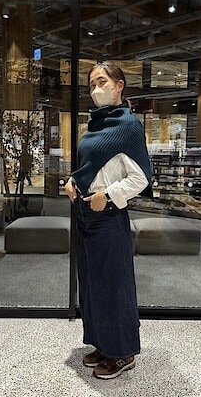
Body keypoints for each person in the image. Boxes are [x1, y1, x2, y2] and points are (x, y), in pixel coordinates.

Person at [65, 61, 152, 380]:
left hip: (109, 214)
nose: (96, 89)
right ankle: (104, 345)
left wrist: (109, 195)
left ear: (119, 86)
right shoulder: (95, 126)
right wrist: (73, 180)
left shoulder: (129, 126)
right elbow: (90, 167)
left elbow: (141, 177)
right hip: (85, 212)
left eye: (101, 82)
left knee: (114, 285)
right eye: (91, 85)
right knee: (92, 284)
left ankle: (123, 352)